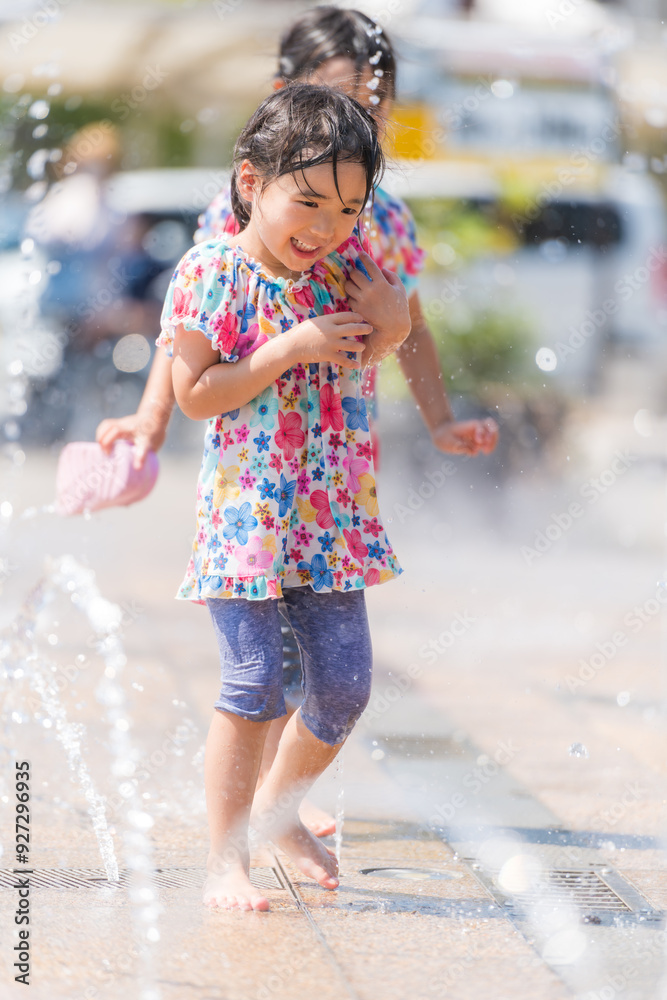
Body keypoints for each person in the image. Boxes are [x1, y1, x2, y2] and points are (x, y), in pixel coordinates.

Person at [96, 7, 499, 837]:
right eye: (344, 98)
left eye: (377, 106)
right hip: (257, 462)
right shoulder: (242, 219)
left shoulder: (374, 218)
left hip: (332, 467)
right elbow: (197, 331)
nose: (364, 119)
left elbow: (405, 330)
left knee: (331, 668)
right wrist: (146, 417)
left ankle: (274, 804)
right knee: (264, 667)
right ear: (286, 96)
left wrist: (439, 418)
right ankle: (252, 820)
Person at [161, 83, 408, 910]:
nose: (326, 227)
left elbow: (372, 353)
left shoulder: (344, 268)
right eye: (307, 202)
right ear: (248, 183)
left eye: (347, 208)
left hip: (329, 520)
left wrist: (394, 324)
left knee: (342, 685)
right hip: (249, 521)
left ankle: (277, 809)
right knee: (254, 684)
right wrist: (291, 346)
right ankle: (223, 857)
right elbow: (194, 393)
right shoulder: (212, 272)